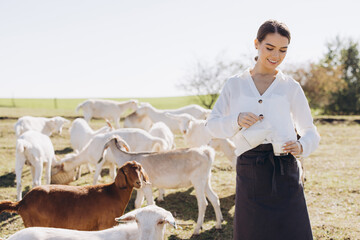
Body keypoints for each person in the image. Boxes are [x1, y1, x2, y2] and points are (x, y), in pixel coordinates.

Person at [206, 20, 320, 240]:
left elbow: (310, 130)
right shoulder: (235, 84)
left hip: (285, 167)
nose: (276, 55)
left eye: (283, 50)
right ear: (257, 44)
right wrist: (236, 120)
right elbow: (211, 125)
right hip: (250, 169)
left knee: (292, 233)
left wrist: (301, 145)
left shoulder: (290, 87)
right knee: (252, 232)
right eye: (270, 48)